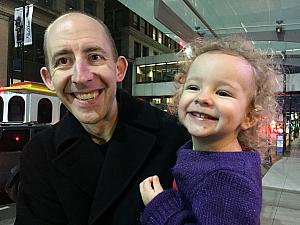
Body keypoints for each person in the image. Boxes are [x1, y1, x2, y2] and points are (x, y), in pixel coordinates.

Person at [14, 12, 190, 225]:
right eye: (63, 61)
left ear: (119, 69)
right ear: (49, 78)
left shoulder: (175, 138)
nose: (81, 77)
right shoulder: (39, 155)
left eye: (94, 57)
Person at [139, 35, 279, 225]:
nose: (202, 97)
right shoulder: (206, 153)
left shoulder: (228, 183)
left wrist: (161, 206)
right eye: (194, 87)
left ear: (249, 117)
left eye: (222, 92)